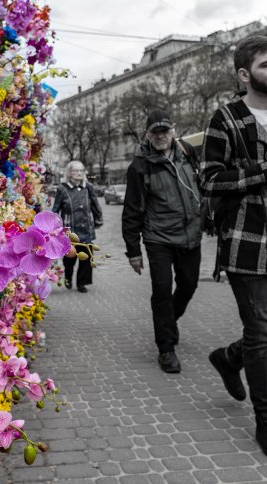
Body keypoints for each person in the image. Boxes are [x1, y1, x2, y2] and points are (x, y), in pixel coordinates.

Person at [201, 35, 267, 455]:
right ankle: (265, 421)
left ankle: (228, 358)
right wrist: (260, 171)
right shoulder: (225, 117)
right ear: (245, 74)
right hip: (248, 240)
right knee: (261, 333)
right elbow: (210, 179)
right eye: (266, 65)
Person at [122, 109, 201, 373]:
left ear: (174, 130)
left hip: (190, 235)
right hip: (158, 238)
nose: (160, 136)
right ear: (147, 134)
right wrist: (134, 250)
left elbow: (201, 187)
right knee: (162, 290)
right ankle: (166, 349)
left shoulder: (189, 153)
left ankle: (170, 320)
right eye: (155, 131)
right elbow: (131, 210)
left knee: (189, 284)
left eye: (164, 131)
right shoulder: (140, 166)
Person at [52, 160, 103, 293]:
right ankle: (68, 277)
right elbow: (55, 209)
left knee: (86, 257)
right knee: (70, 259)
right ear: (70, 172)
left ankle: (82, 283)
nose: (79, 173)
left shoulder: (88, 187)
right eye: (75, 170)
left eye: (81, 170)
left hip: (86, 228)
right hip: (70, 230)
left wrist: (98, 219)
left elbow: (95, 205)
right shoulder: (62, 189)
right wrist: (52, 226)